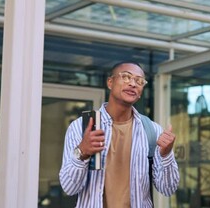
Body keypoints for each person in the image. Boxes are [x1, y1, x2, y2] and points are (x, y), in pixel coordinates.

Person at [59, 61, 179, 207]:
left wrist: (166, 155)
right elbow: (69, 188)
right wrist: (82, 152)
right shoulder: (80, 127)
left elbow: (168, 189)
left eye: (139, 81)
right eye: (126, 77)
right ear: (110, 82)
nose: (133, 84)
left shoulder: (153, 131)